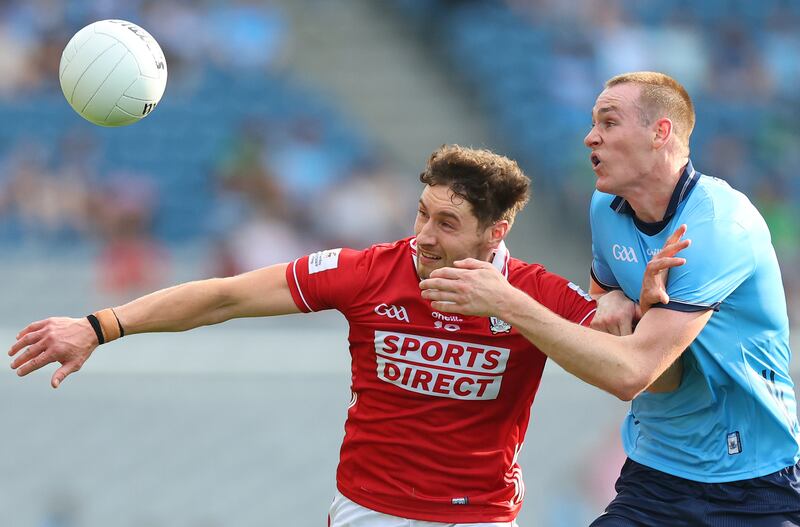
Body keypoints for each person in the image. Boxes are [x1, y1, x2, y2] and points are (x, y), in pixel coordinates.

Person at [12, 145, 638, 526]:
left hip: (479, 517)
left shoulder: (536, 294)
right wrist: (100, 326)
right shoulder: (367, 273)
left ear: (495, 232)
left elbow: (628, 369)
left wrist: (589, 302)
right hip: (371, 511)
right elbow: (226, 295)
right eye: (422, 212)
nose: (423, 234)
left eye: (447, 223)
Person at [419, 72, 800, 525]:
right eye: (592, 122)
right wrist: (615, 298)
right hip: (656, 474)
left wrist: (506, 301)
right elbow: (616, 313)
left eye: (609, 122)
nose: (589, 137)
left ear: (660, 133)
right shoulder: (606, 207)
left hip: (753, 482)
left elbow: (632, 374)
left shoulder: (717, 226)